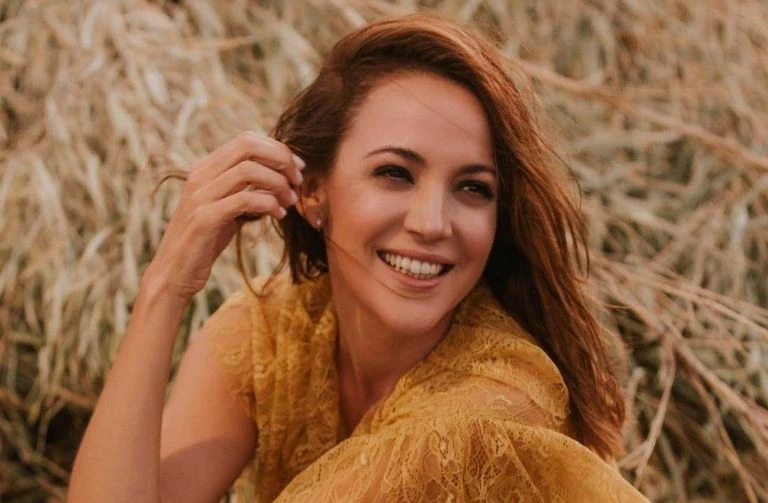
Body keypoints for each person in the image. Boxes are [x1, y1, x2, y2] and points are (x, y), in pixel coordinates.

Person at [68, 13, 648, 502]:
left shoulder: (484, 412)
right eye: (395, 173)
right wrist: (165, 285)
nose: (431, 222)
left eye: (473, 188)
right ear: (312, 190)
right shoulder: (276, 332)